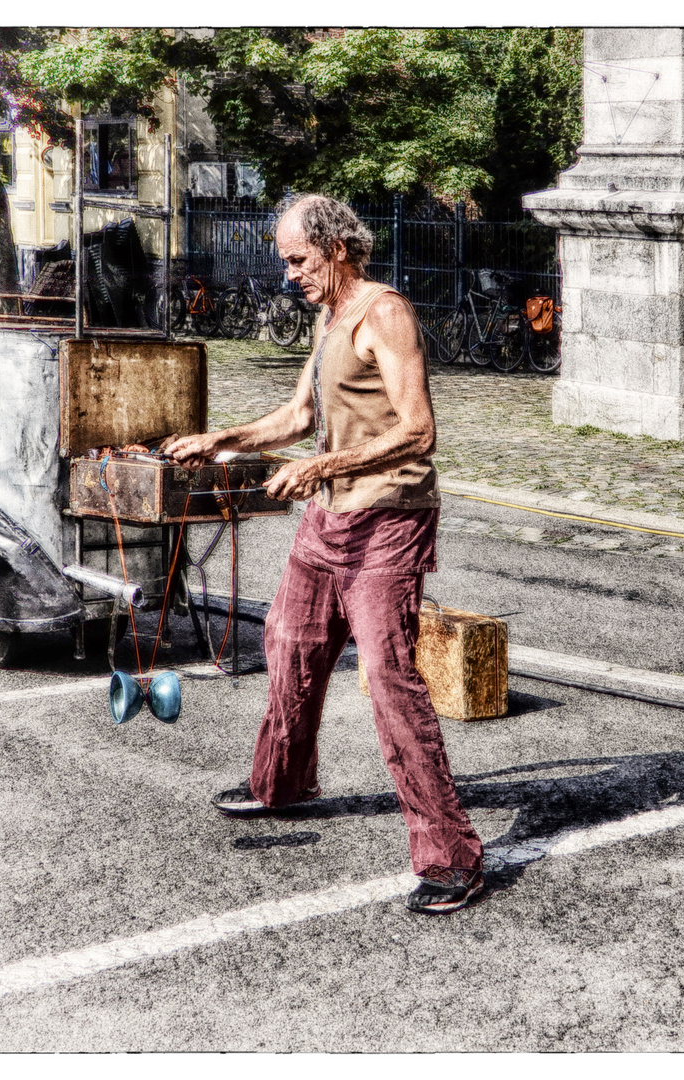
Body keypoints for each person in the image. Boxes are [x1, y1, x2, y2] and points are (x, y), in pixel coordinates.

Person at [166, 194, 485, 915]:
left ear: (337, 247)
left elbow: (419, 431)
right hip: (328, 518)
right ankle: (280, 783)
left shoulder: (384, 312)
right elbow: (299, 417)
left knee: (392, 681)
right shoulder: (329, 315)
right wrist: (222, 438)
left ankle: (452, 857)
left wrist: (321, 467)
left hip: (388, 520)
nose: (290, 275)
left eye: (298, 260)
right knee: (291, 645)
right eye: (287, 261)